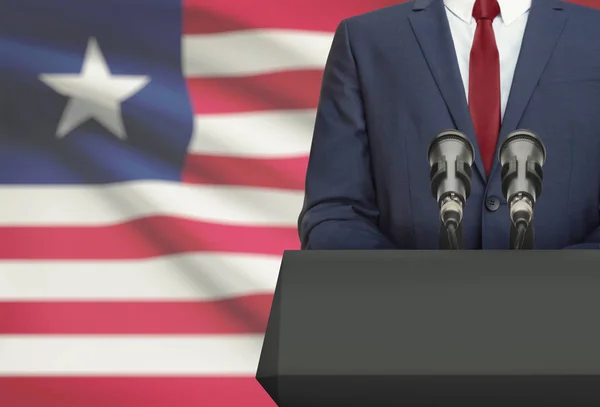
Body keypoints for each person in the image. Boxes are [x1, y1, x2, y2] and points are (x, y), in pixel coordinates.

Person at [298, 0, 600, 250]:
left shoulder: (593, 36)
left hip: (570, 314)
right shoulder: (366, 41)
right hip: (403, 315)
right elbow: (335, 213)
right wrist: (414, 292)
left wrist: (557, 286)